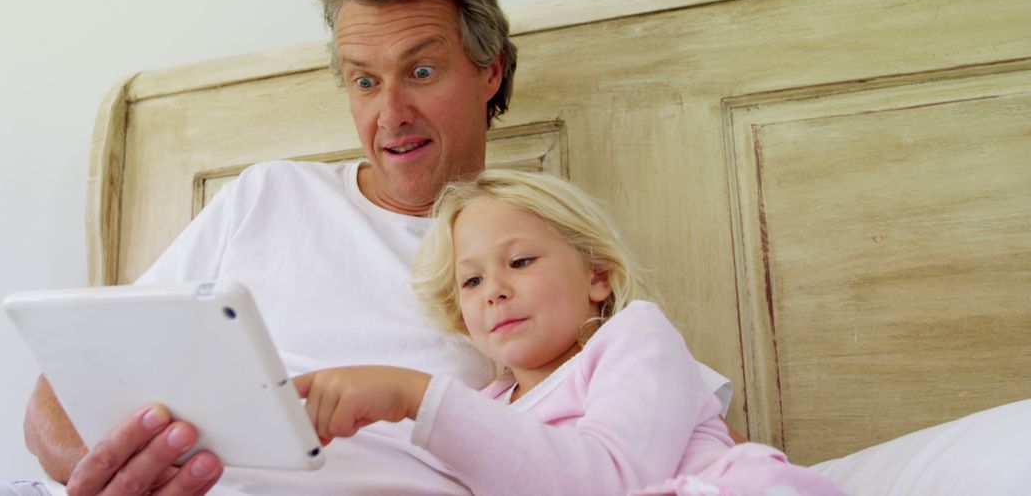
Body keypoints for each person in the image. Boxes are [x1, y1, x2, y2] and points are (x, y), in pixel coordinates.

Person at [21, 0, 734, 494]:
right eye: (365, 81)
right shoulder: (265, 196)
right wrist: (106, 474)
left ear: (489, 71)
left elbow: (637, 448)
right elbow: (59, 391)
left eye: (421, 71)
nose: (391, 113)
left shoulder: (538, 271)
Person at [297, 169, 845, 495]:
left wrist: (413, 395)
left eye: (521, 262)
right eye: (471, 279)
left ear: (597, 276)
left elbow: (610, 482)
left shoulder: (634, 340)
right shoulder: (491, 408)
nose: (494, 291)